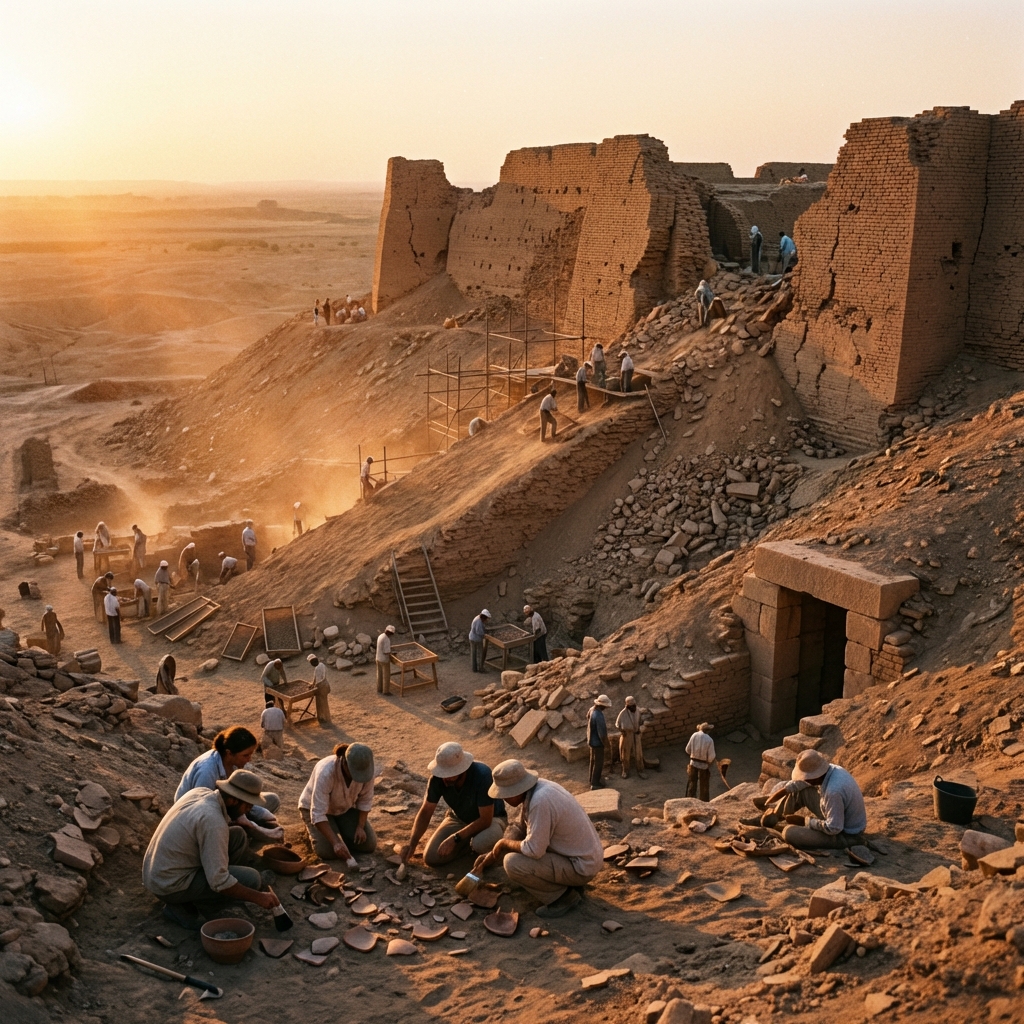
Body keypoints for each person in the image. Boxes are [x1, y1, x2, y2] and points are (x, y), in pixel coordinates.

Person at [142, 769, 283, 930]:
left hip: (160, 871)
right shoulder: (213, 821)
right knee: (252, 879)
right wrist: (258, 898)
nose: (249, 810)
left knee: (237, 835)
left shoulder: (201, 793)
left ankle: (204, 892)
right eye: (248, 804)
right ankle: (184, 907)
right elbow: (220, 881)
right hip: (168, 885)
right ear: (232, 801)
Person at [471, 759, 604, 919]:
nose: (503, 799)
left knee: (512, 863)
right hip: (582, 857)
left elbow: (534, 850)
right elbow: (521, 830)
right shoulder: (538, 788)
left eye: (505, 795)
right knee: (512, 845)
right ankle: (565, 884)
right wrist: (492, 855)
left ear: (516, 790)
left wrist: (503, 843)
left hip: (581, 867)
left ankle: (562, 898)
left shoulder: (540, 801)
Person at [400, 742, 507, 867]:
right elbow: (426, 811)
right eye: (442, 774)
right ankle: (466, 845)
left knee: (480, 844)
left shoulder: (482, 775)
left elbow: (485, 820)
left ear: (463, 769)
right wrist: (412, 844)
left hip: (492, 819)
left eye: (449, 774)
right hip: (458, 817)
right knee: (431, 857)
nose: (445, 779)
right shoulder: (437, 779)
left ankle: (476, 844)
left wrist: (455, 838)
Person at [175, 725, 282, 835]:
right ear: (229, 753)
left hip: (224, 806)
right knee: (238, 833)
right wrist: (242, 819)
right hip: (195, 816)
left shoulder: (233, 763)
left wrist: (263, 814)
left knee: (272, 800)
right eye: (245, 755)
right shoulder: (207, 770)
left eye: (251, 754)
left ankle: (247, 829)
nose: (249, 759)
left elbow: (240, 796)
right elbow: (202, 808)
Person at [758, 750, 867, 850]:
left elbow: (834, 828)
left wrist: (806, 822)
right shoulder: (830, 770)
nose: (805, 780)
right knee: (801, 790)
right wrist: (784, 791)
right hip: (837, 815)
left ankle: (854, 842)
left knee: (789, 833)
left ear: (815, 776)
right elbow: (800, 783)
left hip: (845, 834)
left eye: (807, 778)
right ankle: (774, 817)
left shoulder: (833, 791)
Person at [298, 742, 378, 862]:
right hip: (316, 810)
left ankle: (339, 829)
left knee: (368, 845)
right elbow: (318, 813)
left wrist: (360, 827)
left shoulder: (366, 769)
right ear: (345, 764)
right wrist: (336, 843)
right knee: (327, 852)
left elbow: (365, 800)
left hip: (344, 809)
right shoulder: (326, 772)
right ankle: (315, 829)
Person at [615, 696, 645, 780]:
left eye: (634, 705)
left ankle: (640, 770)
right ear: (627, 706)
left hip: (636, 734)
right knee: (625, 754)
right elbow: (617, 724)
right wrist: (622, 731)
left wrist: (639, 727)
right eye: (631, 706)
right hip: (627, 735)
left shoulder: (638, 710)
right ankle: (625, 771)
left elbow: (641, 721)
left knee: (638, 753)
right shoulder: (623, 713)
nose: (633, 708)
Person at [685, 722, 716, 802]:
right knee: (704, 785)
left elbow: (687, 750)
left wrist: (694, 755)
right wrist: (708, 761)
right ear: (708, 731)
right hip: (704, 766)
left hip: (693, 764)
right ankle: (704, 801)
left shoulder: (694, 735)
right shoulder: (709, 740)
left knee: (692, 783)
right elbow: (711, 757)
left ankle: (690, 800)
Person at [587, 695, 611, 790]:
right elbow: (602, 733)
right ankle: (595, 783)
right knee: (598, 763)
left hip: (591, 740)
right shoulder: (599, 715)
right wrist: (606, 744)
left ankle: (591, 779)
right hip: (598, 743)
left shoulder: (591, 709)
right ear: (602, 705)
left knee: (592, 761)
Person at [308, 653, 331, 724]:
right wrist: (312, 684)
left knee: (324, 702)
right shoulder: (316, 668)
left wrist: (317, 685)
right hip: (318, 687)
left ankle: (327, 718)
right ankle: (321, 717)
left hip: (323, 687)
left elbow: (323, 677)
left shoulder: (321, 666)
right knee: (319, 703)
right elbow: (315, 678)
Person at [375, 624, 395, 695]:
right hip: (384, 660)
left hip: (378, 658)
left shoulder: (381, 636)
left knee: (379, 674)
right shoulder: (386, 639)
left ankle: (379, 689)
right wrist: (392, 653)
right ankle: (386, 691)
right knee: (386, 675)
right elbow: (386, 652)